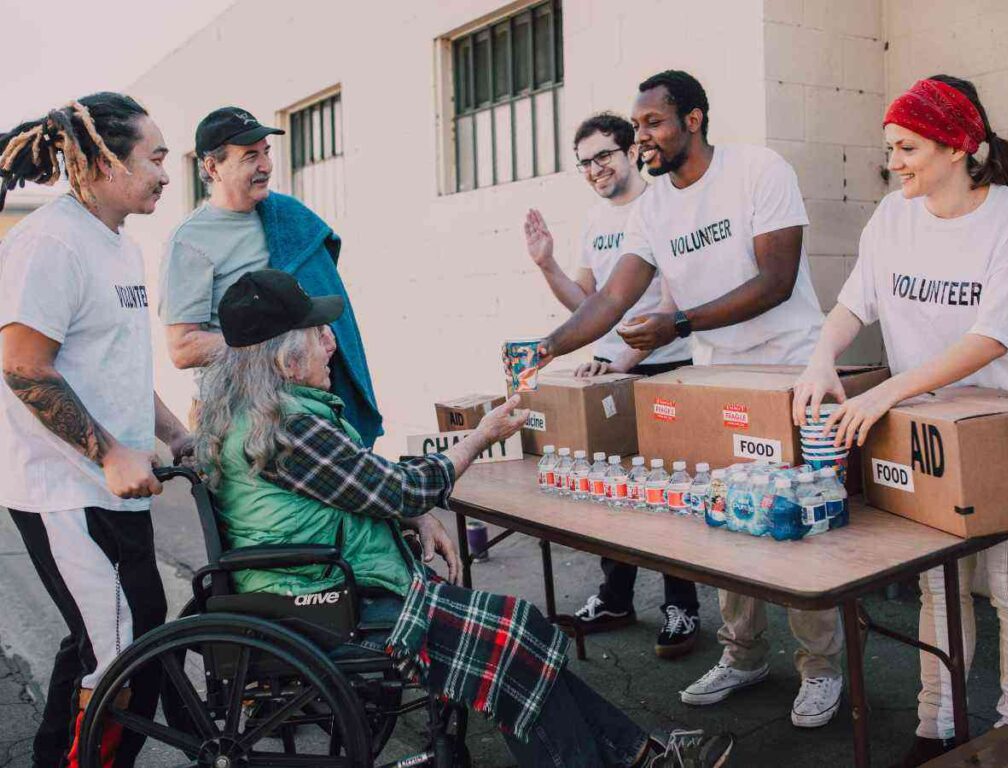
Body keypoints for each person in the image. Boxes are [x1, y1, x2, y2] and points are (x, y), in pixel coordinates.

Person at [194, 268, 736, 768]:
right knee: (513, 643)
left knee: (520, 635)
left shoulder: (256, 414)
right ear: (286, 360)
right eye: (318, 335)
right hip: (327, 604)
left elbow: (360, 489)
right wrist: (477, 439)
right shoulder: (288, 428)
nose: (332, 342)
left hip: (320, 587)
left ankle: (640, 756)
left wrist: (413, 515)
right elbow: (397, 488)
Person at [511, 70, 844, 728]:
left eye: (653, 124)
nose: (642, 139)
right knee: (727, 518)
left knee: (798, 527)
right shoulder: (653, 207)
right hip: (716, 375)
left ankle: (823, 668)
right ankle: (742, 654)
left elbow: (776, 280)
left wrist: (682, 324)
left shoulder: (758, 170)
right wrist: (545, 346)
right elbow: (611, 300)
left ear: (693, 120)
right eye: (637, 128)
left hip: (787, 366)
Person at [792, 75, 1008, 768]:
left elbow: (991, 338)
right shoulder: (893, 216)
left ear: (959, 147)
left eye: (909, 146)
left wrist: (886, 392)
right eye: (890, 146)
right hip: (925, 425)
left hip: (1004, 423)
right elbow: (855, 303)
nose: (895, 160)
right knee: (938, 582)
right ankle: (938, 725)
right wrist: (820, 358)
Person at [0, 93, 192, 768]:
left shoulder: (116, 244)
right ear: (100, 160)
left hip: (114, 488)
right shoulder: (49, 244)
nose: (167, 173)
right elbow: (24, 368)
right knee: (117, 652)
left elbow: (116, 366)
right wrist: (110, 453)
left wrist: (175, 433)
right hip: (64, 491)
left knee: (118, 639)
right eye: (155, 157)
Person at [523, 112, 699, 657]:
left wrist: (620, 358)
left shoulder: (662, 209)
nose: (595, 169)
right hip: (611, 372)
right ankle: (616, 597)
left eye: (603, 155)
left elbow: (673, 303)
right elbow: (589, 305)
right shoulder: (595, 222)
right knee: (610, 490)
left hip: (664, 368)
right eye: (584, 162)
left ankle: (682, 606)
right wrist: (547, 264)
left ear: (630, 152)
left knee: (669, 494)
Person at [158, 106, 382, 447]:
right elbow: (182, 349)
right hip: (237, 416)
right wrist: (279, 342)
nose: (265, 166)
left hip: (308, 408)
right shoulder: (190, 241)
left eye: (266, 152)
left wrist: (315, 335)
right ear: (212, 167)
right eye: (250, 156)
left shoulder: (288, 216)